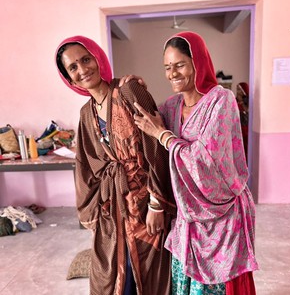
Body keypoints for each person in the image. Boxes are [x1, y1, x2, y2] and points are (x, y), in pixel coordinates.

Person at [130, 31, 259, 294]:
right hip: (187, 216)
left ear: (197, 63)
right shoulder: (172, 106)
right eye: (167, 67)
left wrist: (163, 136)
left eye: (180, 65)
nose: (172, 74)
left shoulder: (220, 100)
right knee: (184, 284)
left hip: (221, 215)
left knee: (215, 286)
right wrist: (132, 88)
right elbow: (152, 143)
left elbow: (206, 160)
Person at [55, 36, 176, 295]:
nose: (82, 69)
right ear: (69, 78)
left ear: (98, 58)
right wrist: (92, 216)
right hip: (113, 206)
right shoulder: (86, 114)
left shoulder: (128, 90)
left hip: (146, 203)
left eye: (85, 59)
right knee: (112, 277)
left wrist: (157, 204)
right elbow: (86, 167)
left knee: (150, 273)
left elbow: (155, 146)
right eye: (73, 67)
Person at [236, 82, 249, 160]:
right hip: (238, 129)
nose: (237, 92)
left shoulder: (248, 104)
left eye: (239, 90)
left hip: (246, 130)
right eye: (237, 89)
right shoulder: (235, 102)